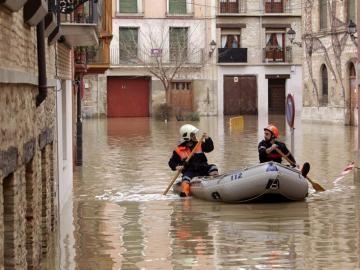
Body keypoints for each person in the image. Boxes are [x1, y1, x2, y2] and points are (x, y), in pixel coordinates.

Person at [168, 124, 219, 197]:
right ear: (187, 136)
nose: (195, 136)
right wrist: (177, 167)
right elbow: (171, 162)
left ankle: (216, 184)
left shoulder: (199, 143)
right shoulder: (178, 150)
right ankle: (185, 198)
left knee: (213, 167)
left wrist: (207, 138)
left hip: (203, 167)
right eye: (192, 135)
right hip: (190, 172)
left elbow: (209, 148)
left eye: (194, 134)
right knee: (185, 180)